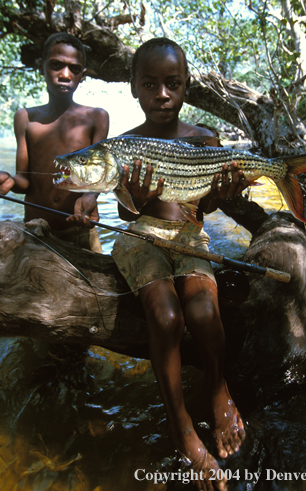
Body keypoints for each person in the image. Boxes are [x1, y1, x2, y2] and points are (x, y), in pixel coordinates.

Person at [111, 38, 247, 489]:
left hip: (189, 235)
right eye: (150, 84)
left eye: (172, 83)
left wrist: (223, 192)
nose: (162, 94)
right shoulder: (124, 145)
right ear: (133, 87)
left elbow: (205, 207)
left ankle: (216, 386)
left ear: (186, 84)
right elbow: (127, 215)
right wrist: (140, 199)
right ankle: (181, 426)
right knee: (166, 315)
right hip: (142, 236)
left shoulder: (204, 139)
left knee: (204, 312)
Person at [0, 32, 109, 252]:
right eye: (56, 65)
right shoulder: (25, 117)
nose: (65, 74)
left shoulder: (97, 117)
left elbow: (99, 178)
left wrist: (90, 195)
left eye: (74, 69)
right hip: (35, 234)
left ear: (82, 75)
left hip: (80, 232)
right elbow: (25, 181)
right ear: (41, 67)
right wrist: (7, 180)